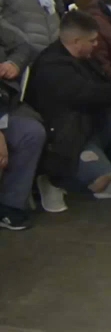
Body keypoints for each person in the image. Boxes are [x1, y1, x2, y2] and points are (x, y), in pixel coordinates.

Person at [27, 11, 111, 204]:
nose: (96, 44)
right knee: (99, 180)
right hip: (66, 139)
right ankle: (54, 181)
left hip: (88, 126)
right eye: (92, 41)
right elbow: (92, 95)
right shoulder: (53, 68)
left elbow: (104, 87)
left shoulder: (84, 58)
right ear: (76, 41)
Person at [0, 23, 44, 230]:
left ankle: (10, 206)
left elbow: (25, 45)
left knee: (31, 132)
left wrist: (14, 63)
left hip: (4, 102)